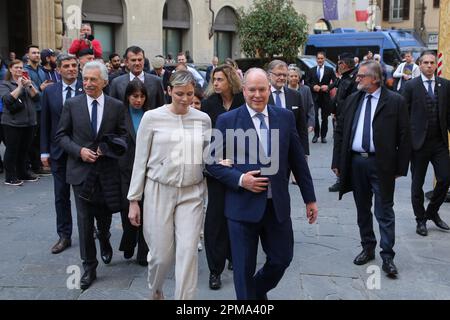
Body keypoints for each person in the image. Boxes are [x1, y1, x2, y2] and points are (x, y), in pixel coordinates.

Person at [206, 68, 318, 300]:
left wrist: (310, 199)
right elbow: (210, 163)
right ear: (244, 90)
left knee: (282, 259)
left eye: (262, 89)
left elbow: (297, 161)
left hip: (276, 207)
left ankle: (254, 293)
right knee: (243, 269)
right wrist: (240, 179)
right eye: (252, 90)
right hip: (241, 208)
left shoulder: (285, 117)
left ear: (270, 89)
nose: (257, 95)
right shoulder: (227, 120)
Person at [127, 71, 211, 300]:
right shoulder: (152, 118)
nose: (185, 99)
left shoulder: (203, 120)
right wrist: (134, 200)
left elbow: (206, 158)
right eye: (180, 94)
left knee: (188, 252)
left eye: (190, 94)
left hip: (192, 192)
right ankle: (155, 288)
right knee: (161, 256)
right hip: (158, 190)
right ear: (169, 91)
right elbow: (140, 159)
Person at [332, 60, 411, 277]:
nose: (357, 79)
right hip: (356, 162)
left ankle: (388, 256)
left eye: (361, 76)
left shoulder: (395, 101)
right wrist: (337, 162)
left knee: (384, 210)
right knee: (362, 208)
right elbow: (340, 131)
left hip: (382, 164)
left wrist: (400, 168)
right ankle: (368, 247)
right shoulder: (352, 99)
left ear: (375, 78)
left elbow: (405, 136)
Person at [56, 61, 127, 290]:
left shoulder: (116, 106)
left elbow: (123, 136)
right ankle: (89, 267)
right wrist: (79, 151)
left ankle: (105, 238)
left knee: (104, 215)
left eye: (93, 79)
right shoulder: (72, 105)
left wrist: (105, 149)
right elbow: (61, 136)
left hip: (106, 172)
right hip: (80, 172)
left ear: (104, 82)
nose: (87, 83)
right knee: (85, 221)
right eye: (84, 79)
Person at [201, 64, 245, 290]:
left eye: (219, 79)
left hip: (240, 167)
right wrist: (214, 161)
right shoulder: (209, 104)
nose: (215, 83)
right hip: (217, 168)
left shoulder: (242, 101)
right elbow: (204, 138)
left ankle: (233, 256)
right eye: (213, 79)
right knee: (215, 218)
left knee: (237, 214)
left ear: (230, 80)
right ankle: (214, 270)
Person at [402, 51, 450, 236]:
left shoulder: (445, 85)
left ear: (435, 65)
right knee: (417, 185)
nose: (429, 66)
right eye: (426, 63)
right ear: (419, 65)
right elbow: (403, 115)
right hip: (418, 144)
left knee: (445, 178)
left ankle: (432, 212)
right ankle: (420, 219)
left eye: (432, 63)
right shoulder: (410, 86)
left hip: (439, 142)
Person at [41, 54, 84, 254]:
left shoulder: (87, 87)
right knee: (61, 195)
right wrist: (44, 151)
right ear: (58, 69)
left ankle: (89, 229)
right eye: (66, 66)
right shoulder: (50, 92)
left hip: (81, 151)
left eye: (74, 66)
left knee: (85, 194)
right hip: (58, 152)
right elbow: (45, 123)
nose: (71, 69)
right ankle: (64, 235)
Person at [118, 80, 150, 266]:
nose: (138, 100)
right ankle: (129, 243)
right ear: (128, 97)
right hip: (125, 169)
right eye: (134, 96)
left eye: (141, 96)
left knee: (146, 210)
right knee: (127, 210)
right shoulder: (121, 115)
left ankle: (143, 252)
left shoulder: (150, 115)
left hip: (146, 170)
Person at [0, 59, 39, 186]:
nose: (19, 70)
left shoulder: (28, 82)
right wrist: (19, 87)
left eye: (21, 67)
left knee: (24, 149)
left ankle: (23, 172)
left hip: (29, 122)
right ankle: (10, 176)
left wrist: (29, 86)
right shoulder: (5, 83)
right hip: (12, 123)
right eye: (16, 67)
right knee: (12, 150)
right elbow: (7, 100)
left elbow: (37, 97)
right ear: (10, 69)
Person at [328, 53, 358, 193]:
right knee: (339, 147)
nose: (338, 66)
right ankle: (342, 178)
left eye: (339, 63)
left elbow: (348, 101)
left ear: (344, 65)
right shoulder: (344, 78)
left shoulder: (353, 79)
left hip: (347, 120)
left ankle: (342, 179)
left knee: (342, 148)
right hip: (340, 118)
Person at [267, 60, 309, 156]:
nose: (282, 78)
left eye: (284, 75)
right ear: (269, 75)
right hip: (268, 150)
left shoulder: (295, 95)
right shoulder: (262, 95)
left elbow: (301, 126)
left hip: (291, 150)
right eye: (278, 74)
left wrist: (304, 152)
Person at [110, 46, 165, 110]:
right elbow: (112, 109)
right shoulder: (116, 83)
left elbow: (162, 108)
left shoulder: (156, 81)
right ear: (126, 62)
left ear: (144, 61)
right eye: (133, 60)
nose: (137, 63)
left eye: (140, 60)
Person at [306, 51, 336, 144]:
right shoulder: (311, 70)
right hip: (314, 97)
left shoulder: (329, 70)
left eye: (321, 58)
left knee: (324, 118)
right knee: (315, 117)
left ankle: (323, 136)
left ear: (324, 59)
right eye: (318, 58)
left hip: (325, 97)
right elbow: (307, 82)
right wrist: (313, 87)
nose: (320, 60)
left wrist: (328, 87)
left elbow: (335, 82)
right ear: (316, 59)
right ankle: (316, 135)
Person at [287, 66, 315, 133]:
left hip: (302, 124)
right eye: (291, 76)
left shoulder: (306, 89)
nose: (294, 78)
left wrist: (311, 124)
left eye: (296, 76)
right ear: (287, 78)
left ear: (299, 77)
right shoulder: (283, 90)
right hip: (286, 124)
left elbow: (310, 107)